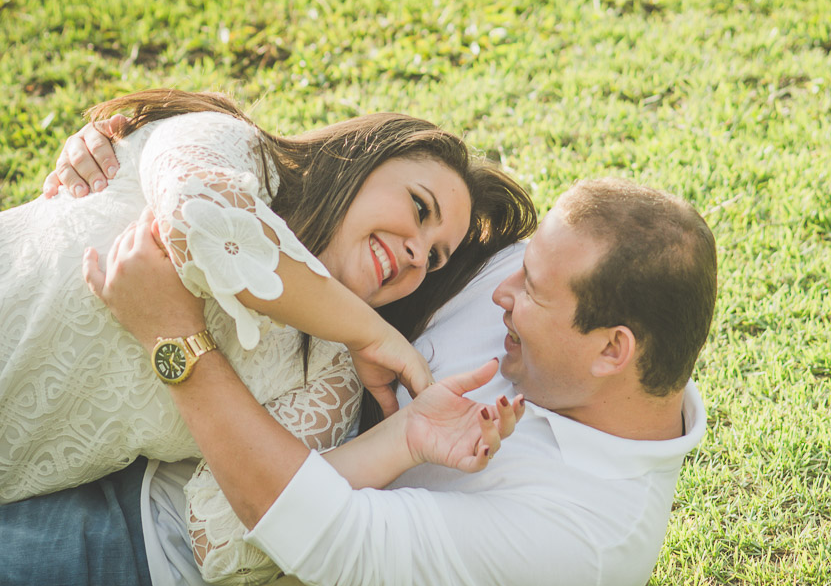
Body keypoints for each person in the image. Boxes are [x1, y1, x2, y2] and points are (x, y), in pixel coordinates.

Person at [4, 148, 717, 586]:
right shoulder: (537, 293)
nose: (502, 287)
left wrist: (172, 338)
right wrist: (132, 135)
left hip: (161, 564)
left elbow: (309, 529)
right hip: (133, 419)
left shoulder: (580, 547)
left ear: (612, 351)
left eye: (530, 287)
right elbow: (356, 184)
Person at [0, 90, 536, 524]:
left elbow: (224, 533)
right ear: (367, 158)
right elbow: (203, 225)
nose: (419, 255)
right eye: (420, 207)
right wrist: (373, 334)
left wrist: (405, 438)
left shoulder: (332, 379)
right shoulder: (236, 147)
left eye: (435, 259)